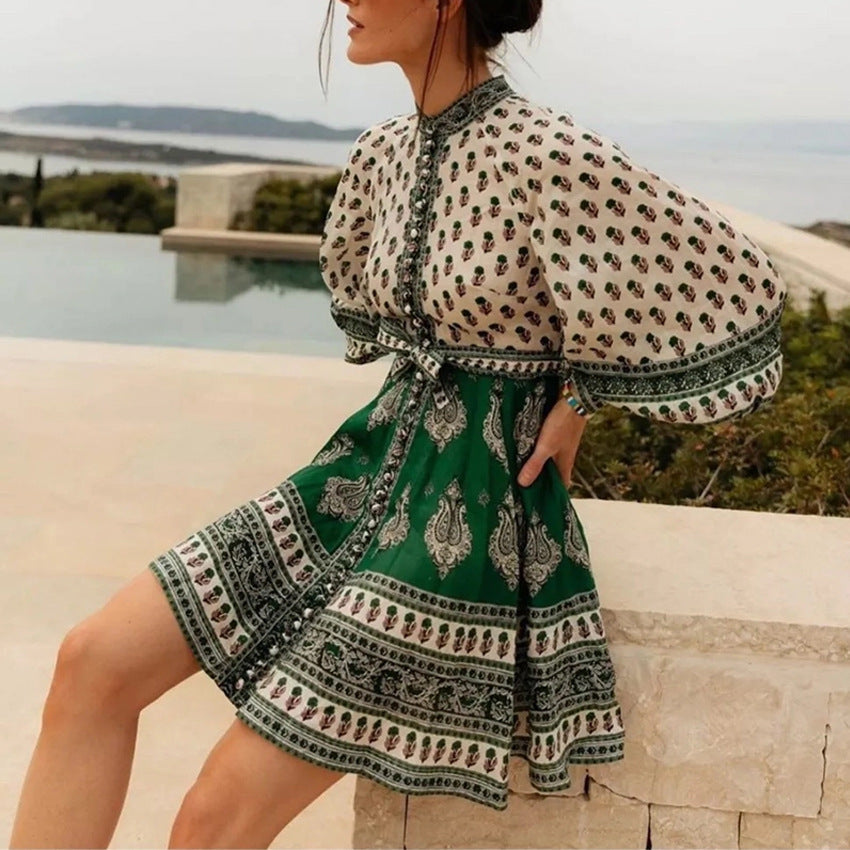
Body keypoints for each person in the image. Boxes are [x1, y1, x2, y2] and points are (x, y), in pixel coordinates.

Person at [10, 0, 787, 846]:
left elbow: (732, 281)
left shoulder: (549, 151)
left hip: (466, 522)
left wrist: (579, 399)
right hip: (364, 472)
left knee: (213, 815)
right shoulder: (382, 152)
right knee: (90, 662)